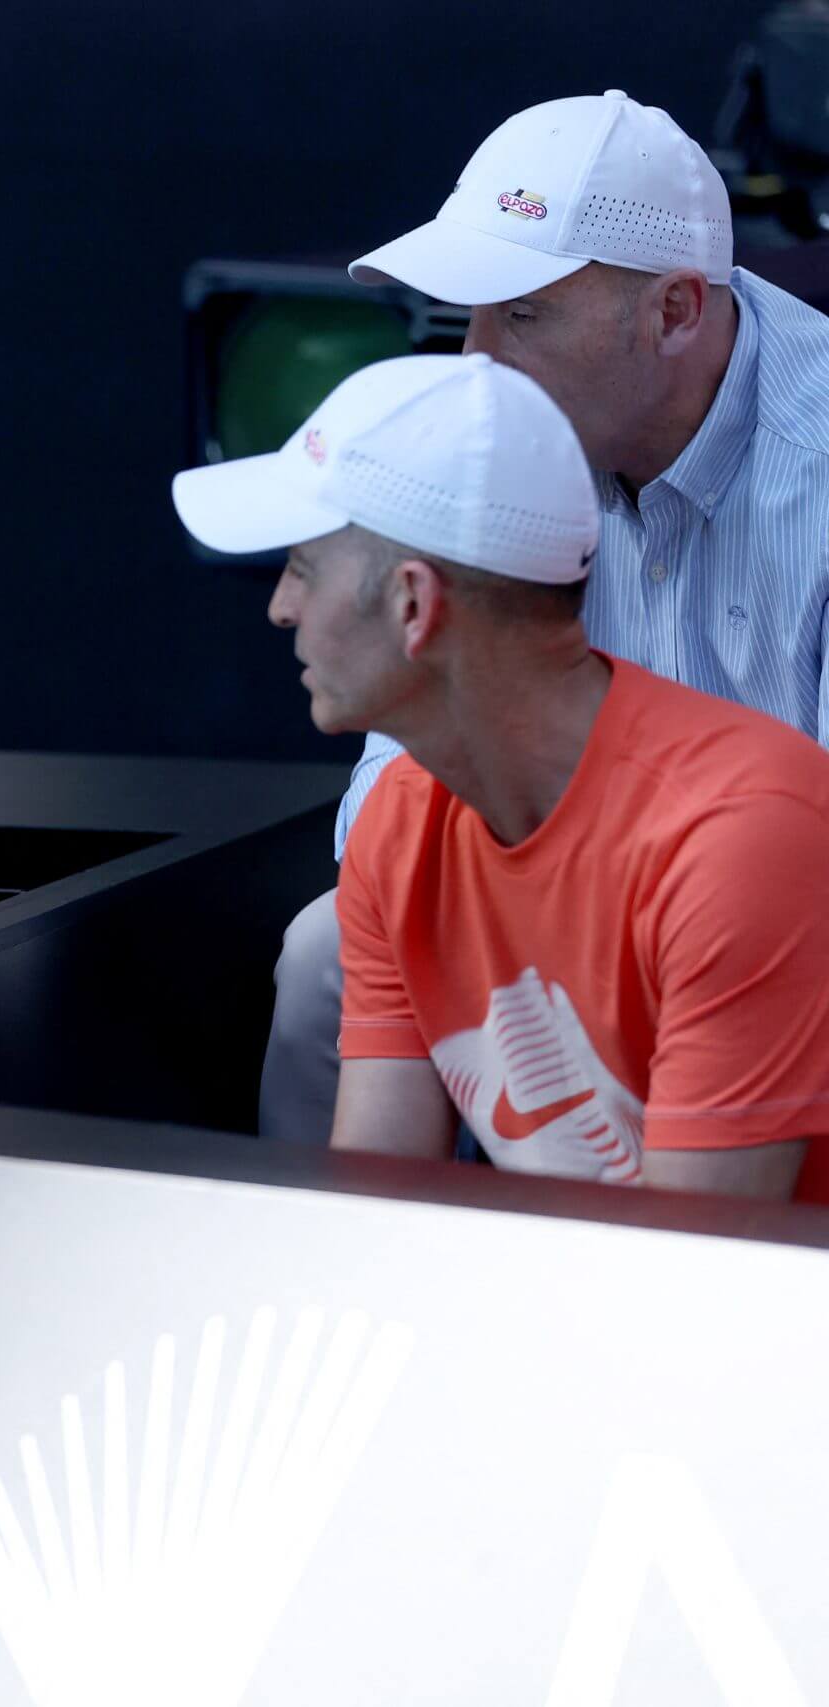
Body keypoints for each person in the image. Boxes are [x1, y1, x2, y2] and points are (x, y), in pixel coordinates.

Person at [259, 89, 829, 1141]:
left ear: (674, 312)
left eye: (522, 314)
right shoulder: (494, 434)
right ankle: (330, 1293)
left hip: (775, 926)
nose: (474, 359)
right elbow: (402, 760)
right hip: (555, 897)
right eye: (466, 314)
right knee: (322, 960)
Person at [177, 352, 829, 1203]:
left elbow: (689, 1298)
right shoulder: (401, 822)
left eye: (302, 567)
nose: (282, 608)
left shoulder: (742, 836)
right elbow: (373, 1217)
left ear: (415, 605)